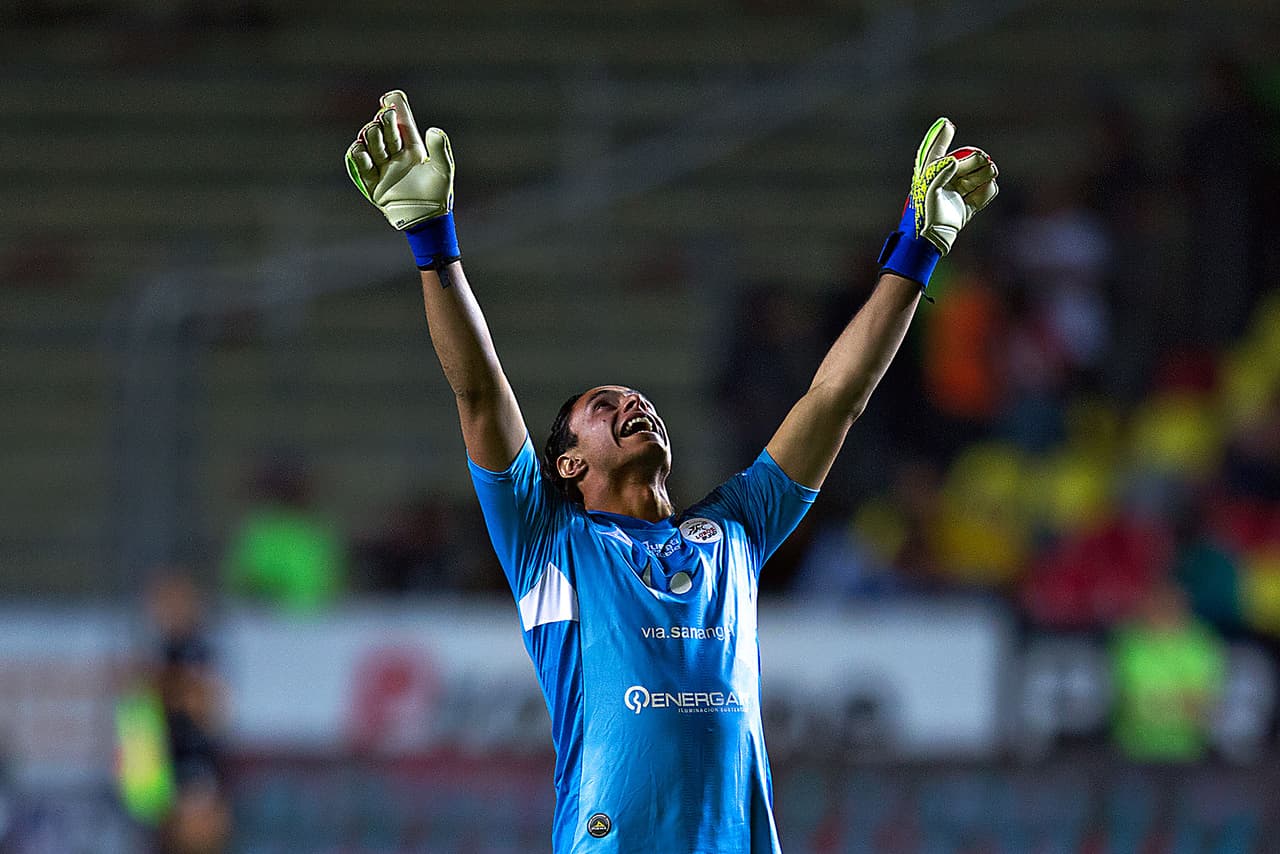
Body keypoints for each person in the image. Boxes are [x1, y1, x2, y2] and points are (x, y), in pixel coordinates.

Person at [345, 90, 997, 853]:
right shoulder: (549, 543)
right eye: (604, 405)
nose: (634, 404)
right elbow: (481, 392)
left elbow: (835, 397)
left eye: (640, 400)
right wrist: (432, 240)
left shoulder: (736, 530)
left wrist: (917, 251)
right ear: (567, 462)